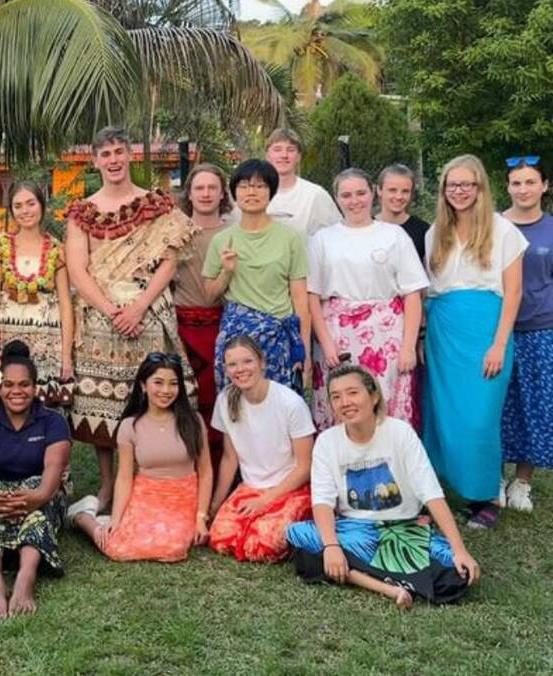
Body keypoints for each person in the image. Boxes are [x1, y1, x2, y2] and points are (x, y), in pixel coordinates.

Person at [65, 126, 197, 510]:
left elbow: (169, 261)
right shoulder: (81, 212)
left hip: (148, 314)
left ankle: (151, 481)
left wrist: (138, 307)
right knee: (105, 406)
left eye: (119, 152)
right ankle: (108, 486)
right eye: (105, 154)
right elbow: (77, 270)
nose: (113, 160)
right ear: (95, 161)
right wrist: (111, 310)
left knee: (152, 398)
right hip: (101, 319)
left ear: (131, 155)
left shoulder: (155, 205)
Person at [287, 365, 481, 608]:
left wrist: (459, 549)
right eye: (336, 397)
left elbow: (430, 492)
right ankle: (388, 588)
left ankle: (360, 574)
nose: (345, 402)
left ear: (374, 396)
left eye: (353, 393)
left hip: (404, 528)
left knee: (456, 575)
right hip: (355, 530)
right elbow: (323, 501)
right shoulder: (327, 442)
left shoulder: (400, 433)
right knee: (300, 537)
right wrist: (332, 545)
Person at [423, 154, 527, 529]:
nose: (459, 191)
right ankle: (444, 489)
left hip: (486, 329)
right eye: (453, 185)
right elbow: (430, 292)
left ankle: (484, 496)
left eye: (467, 184)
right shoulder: (435, 232)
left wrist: (499, 344)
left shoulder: (503, 231)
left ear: (480, 187)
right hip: (443, 331)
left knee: (479, 417)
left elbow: (513, 293)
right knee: (443, 414)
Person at [308, 168, 428, 430]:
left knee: (385, 403)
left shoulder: (394, 235)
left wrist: (408, 346)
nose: (354, 201)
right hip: (338, 336)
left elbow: (412, 294)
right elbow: (313, 297)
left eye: (360, 193)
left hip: (386, 336)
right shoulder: (322, 239)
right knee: (344, 400)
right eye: (346, 195)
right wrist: (326, 344)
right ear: (336, 198)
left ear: (373, 193)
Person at [0, 342, 71, 618]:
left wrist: (30, 498)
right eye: (8, 384)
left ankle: (25, 579)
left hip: (37, 492)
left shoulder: (53, 422)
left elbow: (50, 480)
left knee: (40, 506)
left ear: (35, 388)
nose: (16, 392)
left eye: (24, 384)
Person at [69, 353, 213, 563]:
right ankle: (84, 517)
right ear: (144, 386)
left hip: (182, 497)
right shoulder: (130, 426)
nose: (166, 390)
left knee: (173, 548)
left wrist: (201, 518)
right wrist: (116, 520)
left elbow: (206, 471)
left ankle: (105, 518)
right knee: (117, 546)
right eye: (158, 383)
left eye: (173, 384)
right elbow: (125, 477)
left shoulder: (193, 421)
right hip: (146, 494)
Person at [204, 159, 311, 393]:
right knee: (237, 408)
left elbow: (300, 299)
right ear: (233, 193)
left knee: (279, 407)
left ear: (271, 192)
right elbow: (210, 293)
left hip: (277, 338)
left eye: (260, 186)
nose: (251, 192)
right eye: (244, 186)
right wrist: (227, 271)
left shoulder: (290, 238)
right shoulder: (222, 240)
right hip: (237, 342)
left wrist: (305, 352)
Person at [208, 337, 315, 562]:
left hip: (289, 488)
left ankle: (298, 524)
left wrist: (266, 500)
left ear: (262, 362)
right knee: (221, 539)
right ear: (225, 370)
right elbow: (229, 458)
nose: (241, 369)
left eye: (247, 361)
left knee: (261, 546)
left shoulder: (291, 403)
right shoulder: (225, 400)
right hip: (250, 487)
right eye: (233, 364)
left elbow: (305, 467)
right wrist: (216, 503)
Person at [0, 180, 74, 405]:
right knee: (10, 406)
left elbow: (66, 305)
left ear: (42, 205)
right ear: (11, 210)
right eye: (18, 206)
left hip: (47, 343)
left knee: (43, 410)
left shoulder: (56, 250)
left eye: (30, 203)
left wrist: (66, 356)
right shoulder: (1, 246)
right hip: (9, 341)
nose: (25, 211)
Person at [500, 156, 553, 512]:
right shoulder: (494, 226)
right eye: (516, 183)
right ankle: (494, 476)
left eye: (530, 182)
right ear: (507, 187)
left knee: (534, 406)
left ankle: (522, 481)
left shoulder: (550, 229)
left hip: (540, 329)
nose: (523, 189)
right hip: (497, 330)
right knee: (496, 405)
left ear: (544, 186)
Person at [175, 164, 232, 458]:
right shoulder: (174, 232)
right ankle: (188, 463)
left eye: (212, 188)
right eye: (199, 188)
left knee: (220, 398)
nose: (206, 194)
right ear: (190, 193)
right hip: (182, 327)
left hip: (221, 327)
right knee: (186, 398)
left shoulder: (233, 234)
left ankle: (223, 466)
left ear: (223, 193)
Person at [263, 128, 341, 238]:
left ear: (298, 157)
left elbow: (336, 235)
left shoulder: (315, 195)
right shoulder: (254, 194)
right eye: (277, 149)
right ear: (267, 156)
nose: (284, 155)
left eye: (290, 150)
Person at [376, 164, 431, 263]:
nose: (399, 196)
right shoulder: (366, 228)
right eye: (392, 190)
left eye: (405, 191)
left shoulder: (424, 231)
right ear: (379, 190)